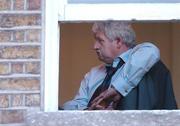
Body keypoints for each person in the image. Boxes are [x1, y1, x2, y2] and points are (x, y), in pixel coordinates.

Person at [62, 21, 177, 110]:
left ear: (118, 42)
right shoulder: (93, 74)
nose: (95, 46)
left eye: (100, 40)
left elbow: (151, 51)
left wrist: (117, 89)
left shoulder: (143, 60)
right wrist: (89, 111)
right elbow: (74, 105)